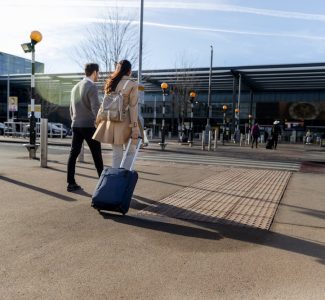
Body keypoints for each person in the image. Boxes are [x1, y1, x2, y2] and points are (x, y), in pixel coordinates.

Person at [92, 60, 139, 169]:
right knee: (130, 152)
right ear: (129, 70)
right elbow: (133, 107)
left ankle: (115, 180)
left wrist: (98, 119)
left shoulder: (111, 82)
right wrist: (135, 127)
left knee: (116, 154)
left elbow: (104, 103)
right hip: (126, 122)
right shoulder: (132, 84)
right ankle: (124, 178)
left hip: (111, 122)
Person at [67, 63, 104, 192]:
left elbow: (71, 109)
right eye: (98, 73)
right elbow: (95, 108)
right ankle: (103, 185)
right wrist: (99, 122)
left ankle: (70, 183)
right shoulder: (92, 86)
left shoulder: (75, 88)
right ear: (94, 72)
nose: (98, 75)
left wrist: (75, 121)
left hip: (76, 124)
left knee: (73, 154)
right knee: (97, 155)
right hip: (89, 125)